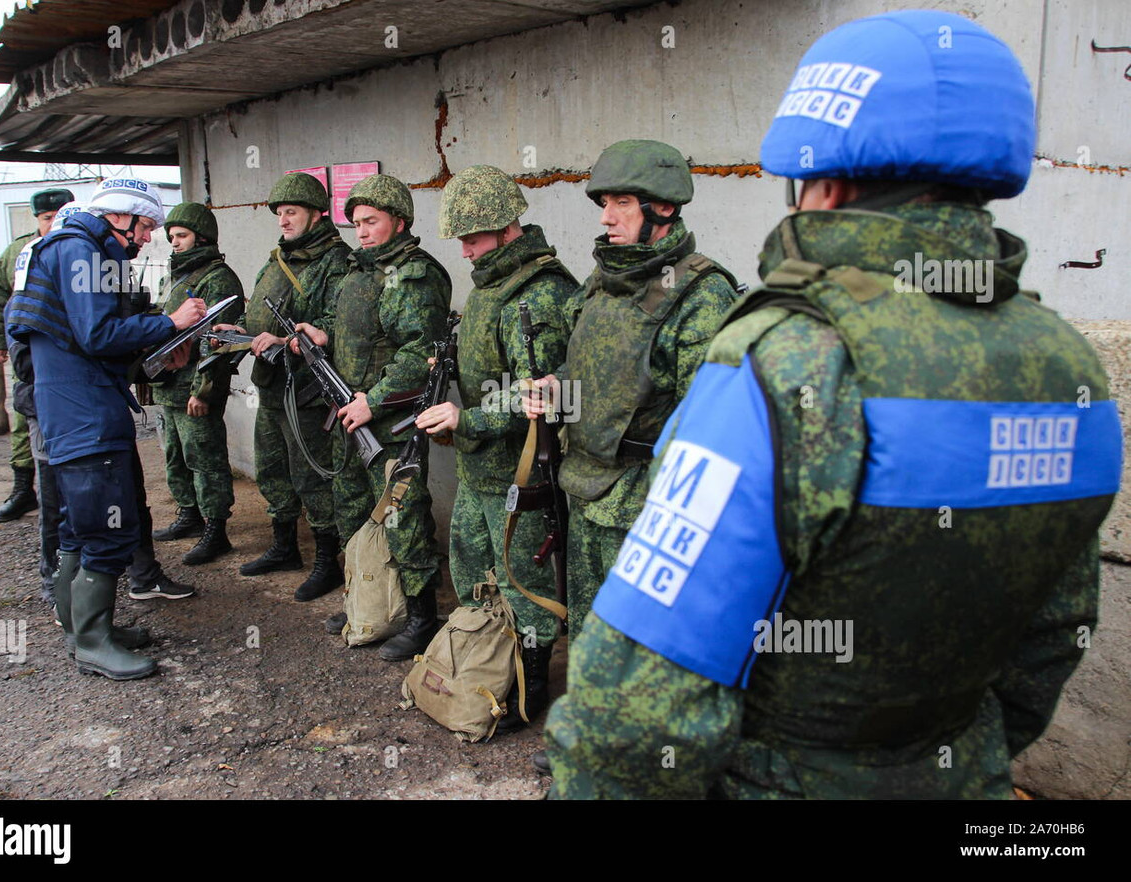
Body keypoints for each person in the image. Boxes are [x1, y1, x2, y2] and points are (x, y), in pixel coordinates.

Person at [543, 10, 1123, 798]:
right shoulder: (1065, 365)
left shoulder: (786, 356)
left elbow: (639, 707)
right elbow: (1051, 642)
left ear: (826, 179)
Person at [526, 139, 744, 639]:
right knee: (587, 634)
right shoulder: (602, 281)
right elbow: (587, 366)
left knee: (643, 646)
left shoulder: (701, 296)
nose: (606, 218)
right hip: (582, 488)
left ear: (662, 207)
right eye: (604, 204)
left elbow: (710, 433)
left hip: (645, 510)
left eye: (621, 203)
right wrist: (557, 388)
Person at [6, 177, 207, 680]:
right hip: (85, 415)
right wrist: (173, 323)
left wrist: (157, 347)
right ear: (120, 216)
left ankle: (84, 632)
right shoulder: (82, 252)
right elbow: (98, 334)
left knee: (80, 526)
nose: (146, 239)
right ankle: (93, 642)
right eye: (145, 227)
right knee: (108, 530)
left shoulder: (63, 246)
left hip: (71, 409)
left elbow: (83, 336)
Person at [414, 165, 574, 727]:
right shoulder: (490, 285)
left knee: (524, 589)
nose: (464, 252)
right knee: (473, 574)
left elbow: (541, 397)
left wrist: (468, 416)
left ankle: (528, 692)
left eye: (473, 239)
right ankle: (487, 668)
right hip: (480, 468)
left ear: (507, 228)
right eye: (460, 240)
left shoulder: (544, 293)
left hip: (523, 477)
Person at [295, 174, 451, 661]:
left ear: (399, 222)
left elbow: (418, 353)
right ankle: (365, 598)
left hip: (391, 424)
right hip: (350, 415)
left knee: (403, 517)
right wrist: (322, 335)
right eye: (356, 222)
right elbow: (351, 326)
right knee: (353, 511)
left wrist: (374, 401)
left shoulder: (415, 275)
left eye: (371, 222)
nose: (360, 231)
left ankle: (423, 617)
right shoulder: (356, 271)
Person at [217, 172, 350, 601]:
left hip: (309, 390)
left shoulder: (337, 261)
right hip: (272, 384)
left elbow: (340, 326)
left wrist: (293, 339)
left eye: (291, 212)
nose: (283, 221)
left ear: (316, 213)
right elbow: (262, 319)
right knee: (272, 469)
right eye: (279, 213)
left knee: (310, 475)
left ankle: (329, 562)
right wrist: (240, 332)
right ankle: (284, 547)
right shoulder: (277, 261)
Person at [149, 202, 245, 565]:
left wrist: (204, 390)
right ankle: (188, 515)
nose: (174, 243)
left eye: (182, 236)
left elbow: (221, 342)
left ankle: (215, 529)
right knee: (175, 456)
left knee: (205, 458)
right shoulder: (176, 276)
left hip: (194, 388)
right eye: (171, 237)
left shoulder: (218, 278)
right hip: (168, 385)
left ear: (201, 237)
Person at [0, 187, 73, 523]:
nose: (53, 223)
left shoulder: (77, 249)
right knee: (25, 419)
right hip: (28, 353)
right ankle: (23, 489)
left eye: (58, 216)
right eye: (47, 218)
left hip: (63, 356)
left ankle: (64, 493)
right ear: (37, 220)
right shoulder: (20, 250)